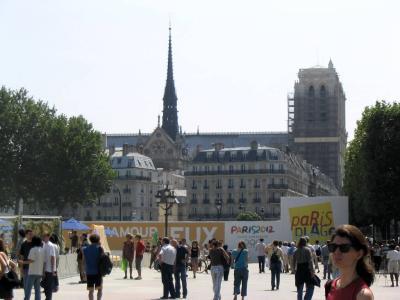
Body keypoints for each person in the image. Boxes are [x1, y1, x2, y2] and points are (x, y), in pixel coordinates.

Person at [325, 224, 374, 300]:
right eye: (333, 247)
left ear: (359, 254)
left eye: (344, 248)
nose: (336, 252)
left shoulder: (363, 295)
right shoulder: (330, 285)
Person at [20, 235, 45, 300]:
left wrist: (22, 262)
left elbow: (31, 260)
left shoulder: (33, 250)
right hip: (39, 272)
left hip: (32, 272)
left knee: (28, 289)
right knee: (37, 290)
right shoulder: (42, 250)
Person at [83, 234, 103, 300]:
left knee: (90, 291)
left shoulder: (85, 249)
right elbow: (103, 259)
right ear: (98, 240)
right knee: (99, 289)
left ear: (90, 240)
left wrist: (84, 272)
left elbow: (84, 261)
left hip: (89, 272)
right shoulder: (100, 249)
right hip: (98, 272)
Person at [42, 232, 57, 300]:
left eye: (45, 236)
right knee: (45, 285)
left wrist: (53, 270)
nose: (44, 237)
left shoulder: (51, 246)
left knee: (49, 286)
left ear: (48, 237)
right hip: (45, 269)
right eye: (43, 236)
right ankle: (47, 298)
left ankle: (48, 298)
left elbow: (53, 258)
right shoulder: (44, 244)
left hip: (49, 269)